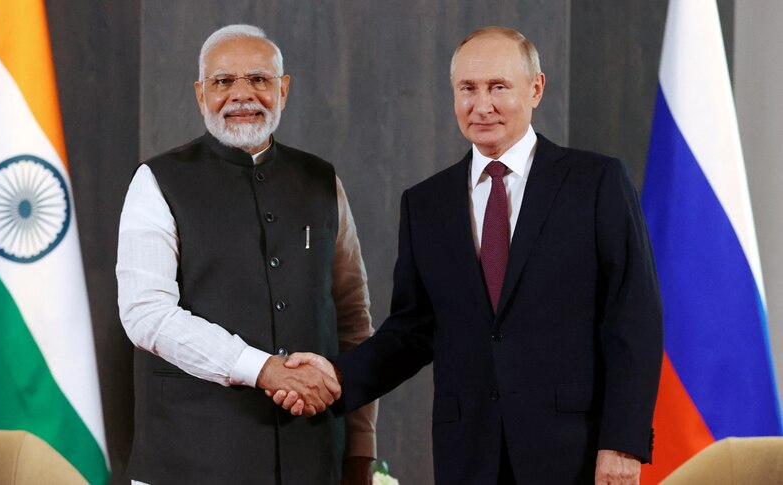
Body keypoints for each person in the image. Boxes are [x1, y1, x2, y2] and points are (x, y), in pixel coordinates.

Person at [275, 26, 663, 484]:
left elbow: (633, 318)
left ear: (535, 89)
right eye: (468, 89)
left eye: (499, 87)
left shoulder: (595, 183)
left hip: (574, 452)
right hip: (469, 455)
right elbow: (412, 331)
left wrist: (621, 443)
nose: (482, 105)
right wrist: (337, 376)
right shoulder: (425, 204)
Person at [116, 24, 377, 485]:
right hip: (189, 464)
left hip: (313, 461)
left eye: (259, 79)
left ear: (284, 89)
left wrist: (359, 450)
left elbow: (351, 320)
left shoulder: (322, 181)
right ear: (201, 94)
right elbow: (146, 313)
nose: (242, 94)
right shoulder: (156, 181)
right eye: (223, 81)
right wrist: (264, 370)